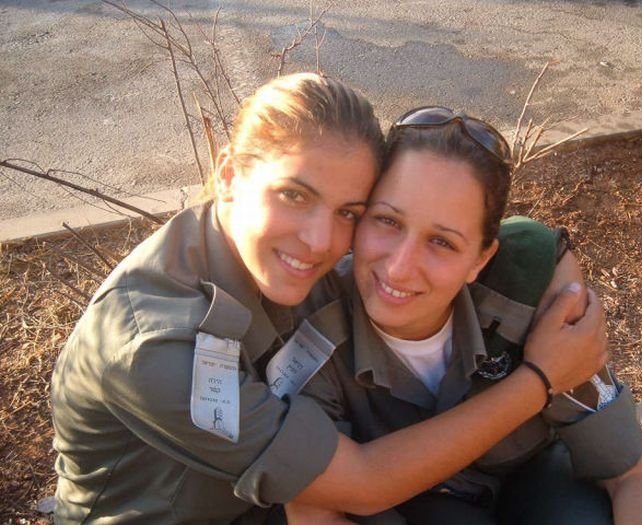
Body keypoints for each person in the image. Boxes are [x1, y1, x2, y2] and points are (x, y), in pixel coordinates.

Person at [51, 75, 608, 525]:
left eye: (349, 212)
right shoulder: (153, 346)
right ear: (228, 176)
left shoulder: (270, 257)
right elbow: (361, 482)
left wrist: (555, 266)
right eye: (294, 195)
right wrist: (539, 380)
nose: (320, 242)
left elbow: (466, 234)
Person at [293, 106, 642, 524]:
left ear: (481, 258)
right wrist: (539, 381)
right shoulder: (310, 330)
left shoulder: (528, 287)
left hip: (535, 483)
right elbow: (317, 512)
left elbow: (633, 477)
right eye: (387, 220)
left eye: (442, 242)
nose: (400, 266)